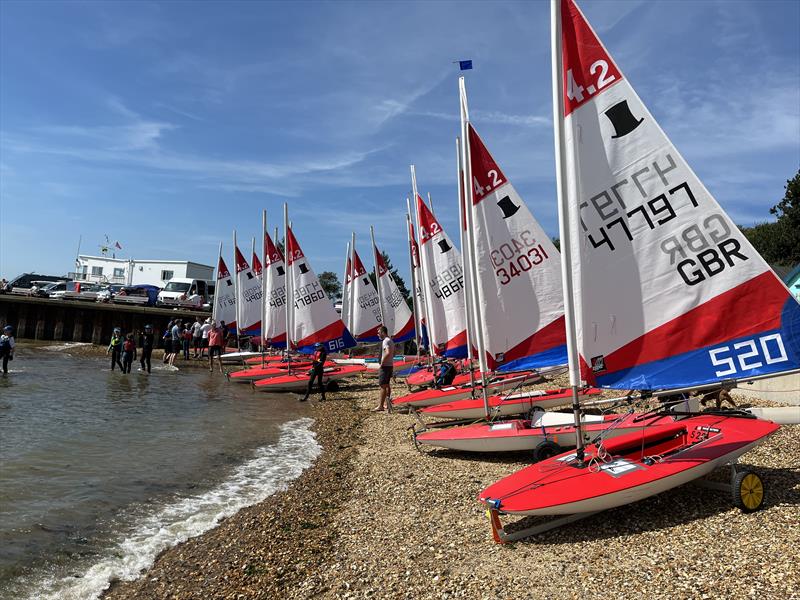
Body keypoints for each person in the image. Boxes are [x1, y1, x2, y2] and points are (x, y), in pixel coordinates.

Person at [372, 326, 395, 411]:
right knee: (387, 385)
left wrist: (382, 363)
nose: (377, 334)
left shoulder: (385, 341)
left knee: (382, 386)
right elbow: (394, 353)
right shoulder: (390, 340)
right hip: (390, 365)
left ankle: (381, 406)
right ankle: (387, 403)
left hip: (385, 366)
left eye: (378, 332)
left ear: (383, 332)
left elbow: (388, 352)